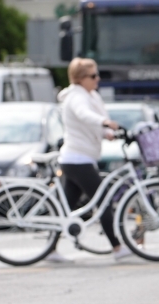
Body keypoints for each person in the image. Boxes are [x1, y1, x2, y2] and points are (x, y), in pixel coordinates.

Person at [47, 57, 132, 262]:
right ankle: (117, 247)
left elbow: (89, 126)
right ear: (80, 78)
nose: (97, 79)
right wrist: (105, 122)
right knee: (103, 201)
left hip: (78, 158)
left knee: (66, 206)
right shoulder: (77, 97)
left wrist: (107, 133)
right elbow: (84, 115)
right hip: (78, 159)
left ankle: (49, 250)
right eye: (93, 76)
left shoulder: (89, 95)